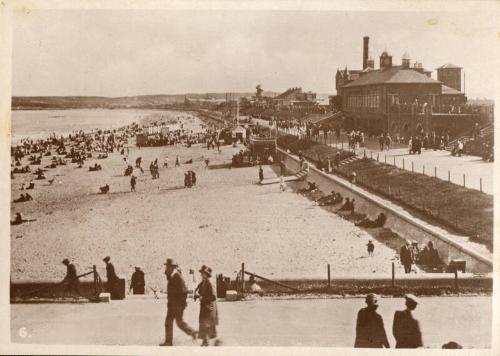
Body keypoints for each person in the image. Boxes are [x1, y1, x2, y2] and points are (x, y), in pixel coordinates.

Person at [160, 258, 197, 346]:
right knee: (175, 322)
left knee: (176, 322)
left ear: (172, 267)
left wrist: (182, 305)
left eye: (168, 267)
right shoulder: (172, 276)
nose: (166, 268)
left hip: (177, 306)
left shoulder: (177, 277)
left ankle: (169, 341)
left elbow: (184, 291)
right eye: (166, 266)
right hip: (173, 305)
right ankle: (192, 333)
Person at [195, 265, 221, 347]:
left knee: (206, 324)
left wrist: (202, 298)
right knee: (205, 324)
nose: (201, 275)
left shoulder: (209, 283)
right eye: (201, 273)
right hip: (205, 306)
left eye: (203, 273)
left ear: (207, 274)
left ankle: (211, 341)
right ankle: (207, 341)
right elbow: (200, 291)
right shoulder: (203, 282)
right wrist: (197, 295)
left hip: (209, 307)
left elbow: (213, 296)